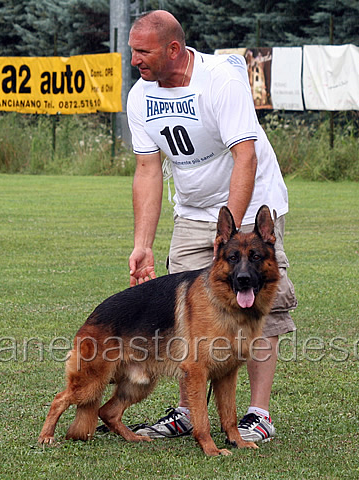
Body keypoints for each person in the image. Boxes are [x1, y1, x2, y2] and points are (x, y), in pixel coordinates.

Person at [126, 10, 297, 443]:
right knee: (187, 315)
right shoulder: (140, 96)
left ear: (174, 49)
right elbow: (148, 170)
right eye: (132, 52)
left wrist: (232, 237)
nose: (134, 61)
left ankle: (258, 414)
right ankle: (187, 411)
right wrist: (142, 244)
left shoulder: (220, 80)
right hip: (193, 209)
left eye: (142, 52)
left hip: (250, 207)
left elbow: (246, 155)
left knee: (258, 302)